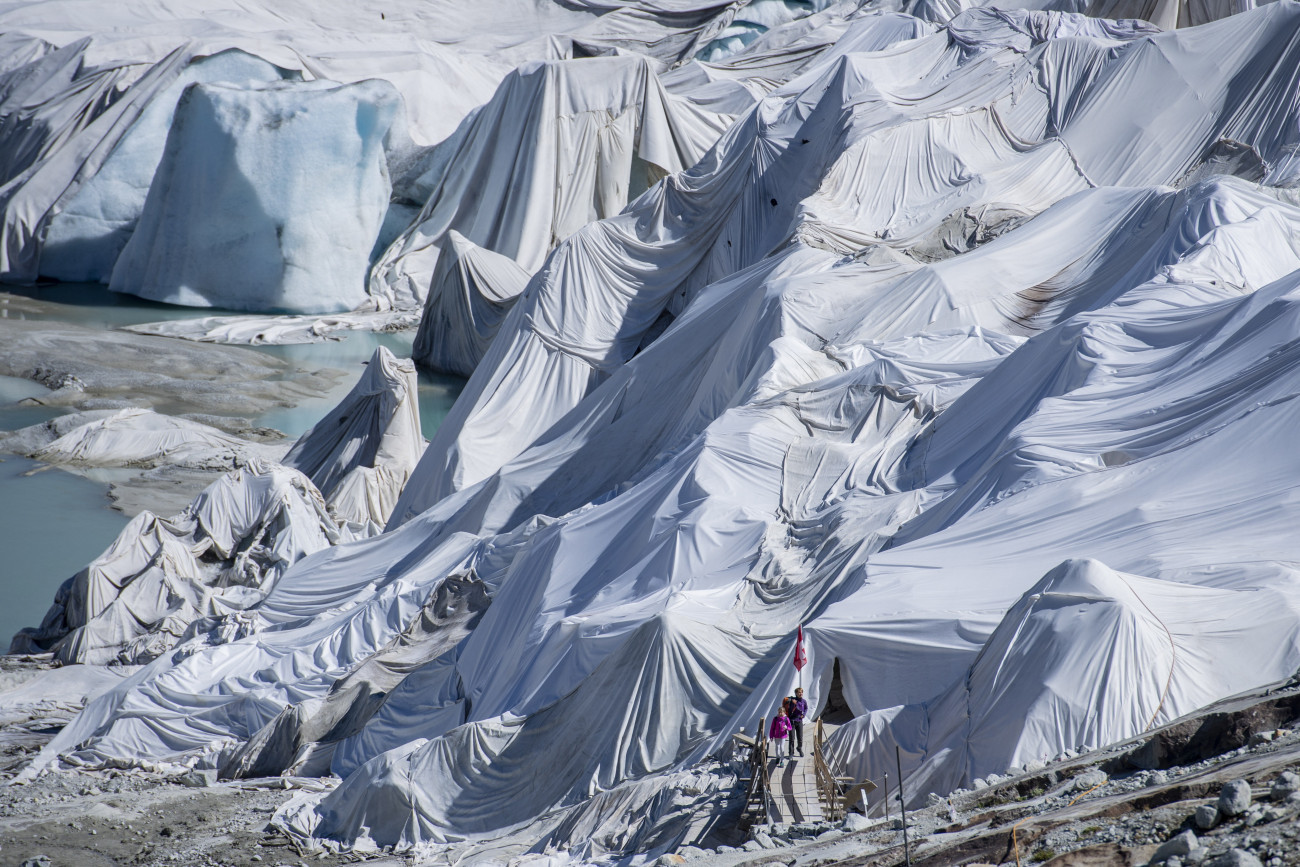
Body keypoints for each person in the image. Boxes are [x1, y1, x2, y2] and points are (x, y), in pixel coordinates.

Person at [789, 687, 808, 756]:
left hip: (799, 721)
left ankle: (799, 748)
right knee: (792, 738)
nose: (800, 693)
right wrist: (794, 704)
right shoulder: (792, 701)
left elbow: (805, 708)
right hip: (793, 721)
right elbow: (791, 710)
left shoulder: (804, 701)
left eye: (801, 692)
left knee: (800, 737)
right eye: (799, 692)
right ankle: (791, 752)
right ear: (796, 693)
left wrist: (804, 714)